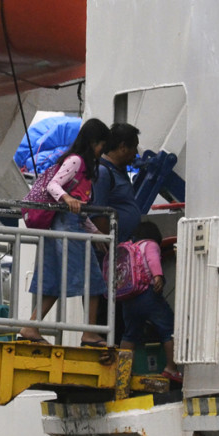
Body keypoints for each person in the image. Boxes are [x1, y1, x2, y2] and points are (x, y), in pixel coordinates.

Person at [18, 118, 112, 346]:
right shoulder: (76, 161)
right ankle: (89, 332)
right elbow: (54, 186)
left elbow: (78, 210)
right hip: (67, 226)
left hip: (61, 225)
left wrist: (95, 232)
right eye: (101, 145)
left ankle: (31, 327)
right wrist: (67, 197)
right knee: (93, 279)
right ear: (93, 142)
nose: (102, 151)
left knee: (53, 281)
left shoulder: (82, 165)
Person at [90, 123, 143, 344]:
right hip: (108, 258)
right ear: (123, 146)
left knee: (120, 312)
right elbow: (99, 212)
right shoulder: (103, 173)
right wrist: (109, 246)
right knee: (106, 310)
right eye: (134, 149)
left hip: (120, 258)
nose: (136, 155)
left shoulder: (117, 173)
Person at [119, 221, 181, 384]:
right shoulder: (150, 244)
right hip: (148, 294)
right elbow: (152, 260)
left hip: (129, 297)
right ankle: (171, 369)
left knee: (130, 334)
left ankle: (123, 373)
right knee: (168, 329)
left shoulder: (131, 247)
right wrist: (158, 276)